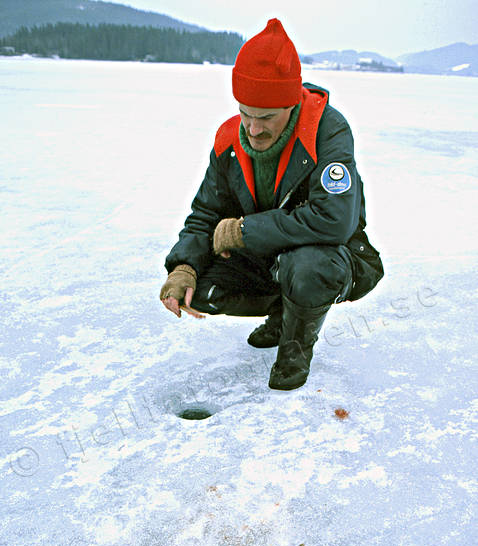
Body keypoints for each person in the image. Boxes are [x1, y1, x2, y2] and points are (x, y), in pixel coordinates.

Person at [160, 18, 383, 391]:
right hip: (268, 259)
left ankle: (295, 346)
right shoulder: (229, 140)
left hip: (333, 257)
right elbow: (205, 213)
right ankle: (284, 311)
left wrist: (246, 231)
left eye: (266, 117)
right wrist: (183, 265)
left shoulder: (327, 130)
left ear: (291, 105)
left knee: (307, 266)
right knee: (196, 290)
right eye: (245, 113)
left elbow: (334, 220)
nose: (253, 128)